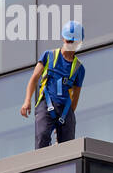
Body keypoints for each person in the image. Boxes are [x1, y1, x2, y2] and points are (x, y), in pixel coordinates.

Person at [22, 20, 86, 148]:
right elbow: (34, 78)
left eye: (73, 42)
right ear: (63, 38)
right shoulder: (49, 56)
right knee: (42, 138)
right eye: (68, 41)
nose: (70, 44)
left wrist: (67, 115)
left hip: (65, 109)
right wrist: (27, 100)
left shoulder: (79, 68)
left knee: (67, 148)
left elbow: (75, 96)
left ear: (79, 42)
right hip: (46, 104)